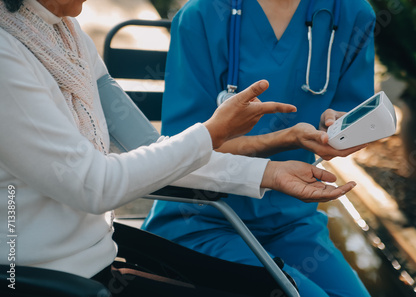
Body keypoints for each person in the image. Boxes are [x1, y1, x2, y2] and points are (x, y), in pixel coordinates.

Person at [0, 0, 358, 296]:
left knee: (267, 285)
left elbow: (151, 147)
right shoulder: (6, 56)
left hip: (105, 254)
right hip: (43, 279)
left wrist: (268, 173)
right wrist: (213, 132)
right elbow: (94, 186)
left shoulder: (66, 34)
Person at [142, 0, 376, 296]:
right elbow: (180, 155)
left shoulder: (351, 12)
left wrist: (344, 128)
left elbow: (352, 109)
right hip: (202, 217)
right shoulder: (202, 15)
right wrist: (286, 139)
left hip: (293, 220)